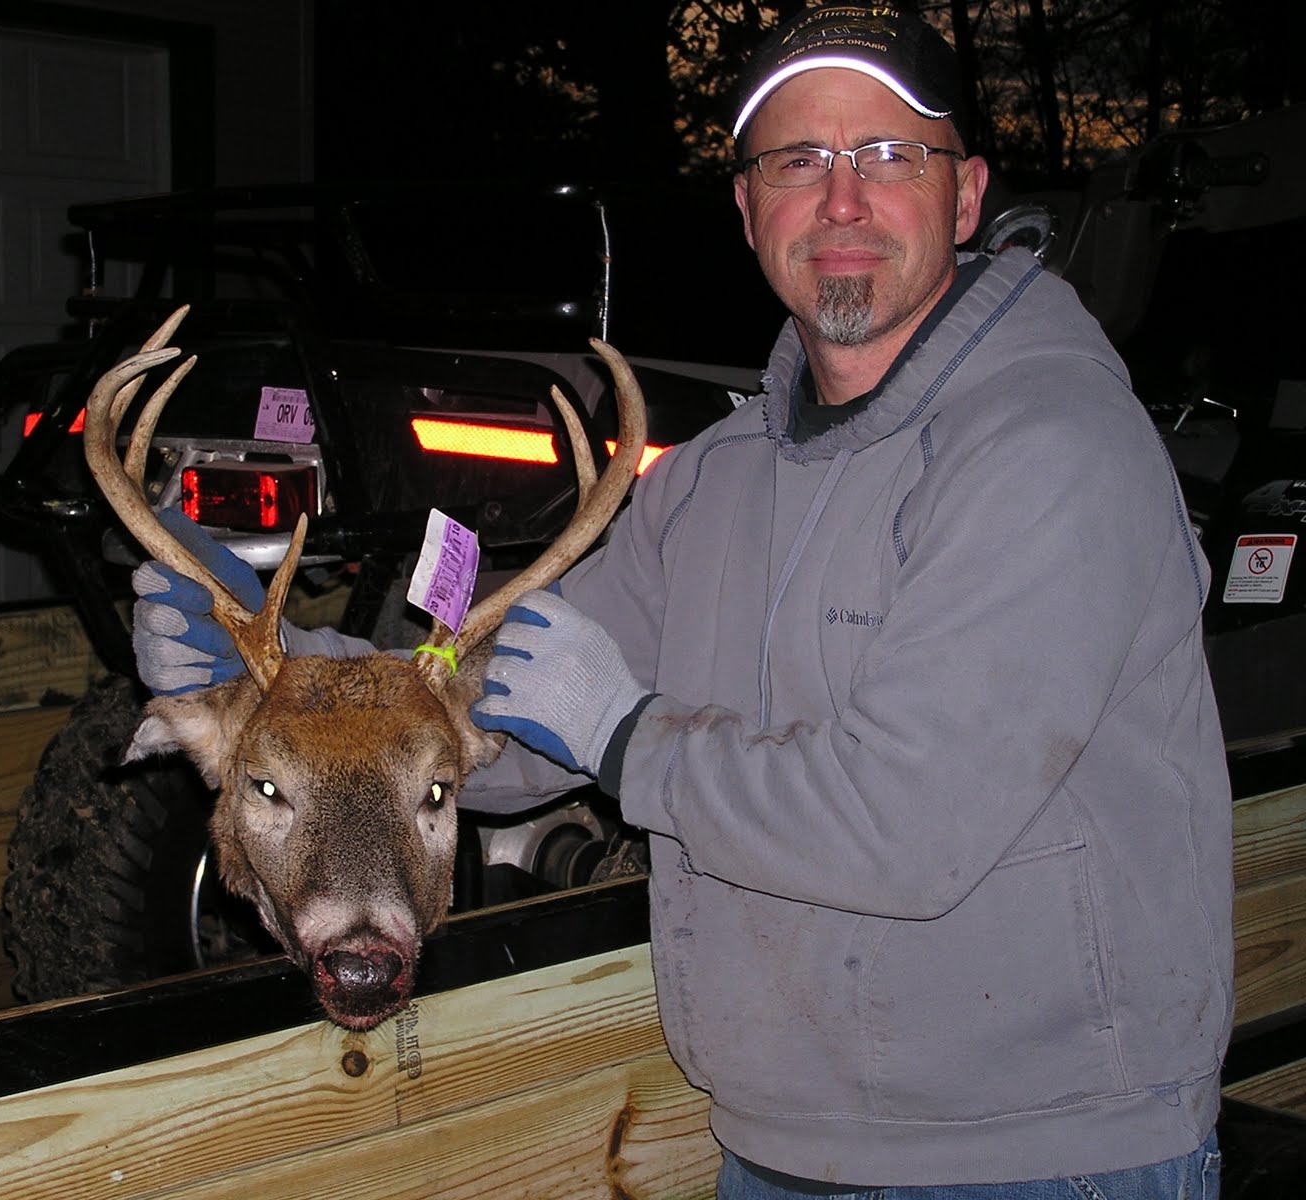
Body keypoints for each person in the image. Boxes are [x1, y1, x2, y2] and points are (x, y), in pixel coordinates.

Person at [133, 4, 1233, 1195]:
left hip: (1035, 1156)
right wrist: (280, 681)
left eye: (887, 155)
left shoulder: (1052, 451)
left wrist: (624, 736)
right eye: (796, 161)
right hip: (776, 1141)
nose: (842, 201)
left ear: (964, 197)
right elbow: (489, 725)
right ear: (748, 210)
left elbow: (904, 830)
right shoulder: (713, 481)